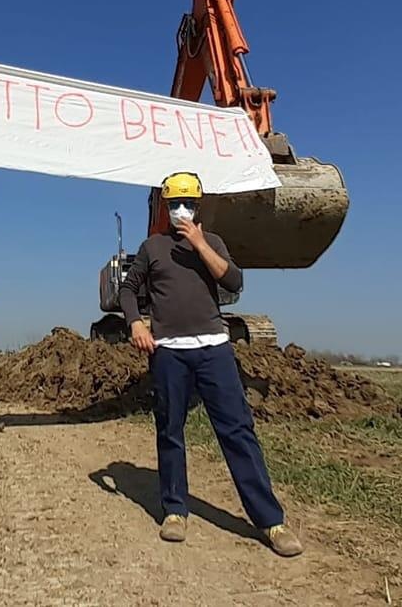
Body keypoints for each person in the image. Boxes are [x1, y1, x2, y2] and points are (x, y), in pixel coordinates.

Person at [119, 171, 303, 557]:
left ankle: (271, 521)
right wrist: (136, 321)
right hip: (169, 352)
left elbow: (234, 282)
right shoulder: (152, 247)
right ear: (165, 208)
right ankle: (174, 511)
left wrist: (201, 244)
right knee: (170, 430)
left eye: (187, 204)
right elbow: (128, 289)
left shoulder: (214, 242)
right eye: (174, 205)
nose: (180, 211)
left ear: (198, 207)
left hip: (214, 350)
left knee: (237, 431)